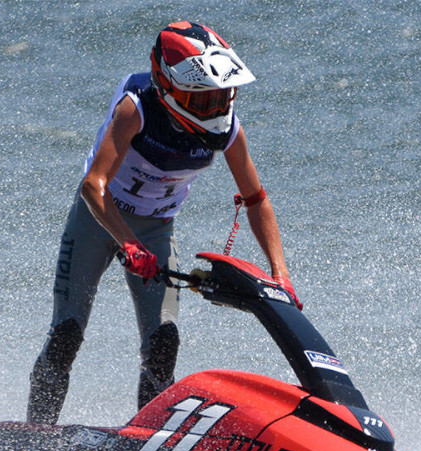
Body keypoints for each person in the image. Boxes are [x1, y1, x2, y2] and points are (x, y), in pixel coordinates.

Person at [27, 21, 300, 425]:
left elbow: (257, 199)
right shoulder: (136, 106)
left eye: (222, 96)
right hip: (98, 218)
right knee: (67, 332)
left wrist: (281, 273)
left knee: (163, 342)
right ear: (169, 86)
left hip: (156, 228)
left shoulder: (227, 129)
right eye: (204, 98)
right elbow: (93, 185)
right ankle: (33, 438)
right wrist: (127, 243)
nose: (216, 108)